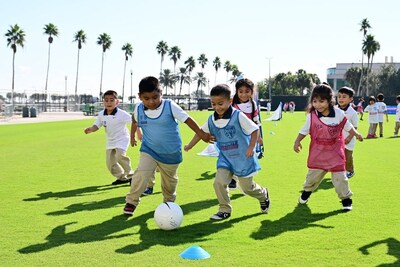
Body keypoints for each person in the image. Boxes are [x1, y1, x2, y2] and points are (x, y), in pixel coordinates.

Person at [123, 76, 210, 216]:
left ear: (161, 93)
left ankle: (168, 203)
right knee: (141, 174)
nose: (151, 101)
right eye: (146, 98)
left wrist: (202, 134)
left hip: (171, 153)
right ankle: (131, 202)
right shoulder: (138, 109)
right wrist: (133, 135)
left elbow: (187, 120)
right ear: (139, 97)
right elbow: (134, 120)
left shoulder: (169, 106)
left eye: (155, 97)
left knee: (169, 183)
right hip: (149, 150)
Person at [185, 84, 270, 220]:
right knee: (219, 182)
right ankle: (224, 209)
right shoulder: (211, 119)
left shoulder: (238, 116)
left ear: (230, 101)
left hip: (243, 158)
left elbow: (255, 129)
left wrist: (251, 147)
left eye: (220, 103)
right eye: (213, 104)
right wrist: (190, 145)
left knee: (247, 188)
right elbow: (201, 132)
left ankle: (263, 195)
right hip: (225, 158)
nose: (217, 107)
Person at [293, 83, 363, 211]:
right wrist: (297, 142)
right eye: (315, 101)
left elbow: (348, 126)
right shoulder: (312, 116)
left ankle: (346, 200)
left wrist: (356, 134)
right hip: (318, 153)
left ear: (329, 100)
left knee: (340, 178)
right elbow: (304, 130)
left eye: (321, 101)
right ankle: (306, 192)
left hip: (336, 153)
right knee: (312, 178)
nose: (318, 105)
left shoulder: (339, 113)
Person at [84, 90, 134, 185]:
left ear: (117, 102)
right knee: (110, 163)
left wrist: (136, 135)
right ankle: (122, 178)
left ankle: (132, 176)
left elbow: (134, 122)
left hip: (122, 139)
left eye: (111, 100)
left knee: (120, 156)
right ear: (103, 102)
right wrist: (90, 129)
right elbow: (97, 126)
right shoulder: (101, 114)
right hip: (110, 140)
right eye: (106, 100)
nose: (109, 102)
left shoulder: (122, 113)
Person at [229, 78, 264, 189]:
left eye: (247, 91)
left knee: (246, 158)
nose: (244, 94)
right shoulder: (232, 104)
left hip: (248, 138)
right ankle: (233, 179)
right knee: (233, 157)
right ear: (237, 92)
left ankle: (248, 183)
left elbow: (256, 122)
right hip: (234, 136)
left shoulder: (253, 105)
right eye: (241, 91)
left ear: (251, 92)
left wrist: (259, 137)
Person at [336, 87, 358, 178]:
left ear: (351, 99)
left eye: (344, 97)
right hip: (337, 138)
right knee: (338, 155)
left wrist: (349, 137)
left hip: (349, 138)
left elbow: (355, 127)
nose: (341, 99)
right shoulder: (334, 109)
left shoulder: (353, 112)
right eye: (339, 96)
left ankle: (350, 170)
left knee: (348, 156)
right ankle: (339, 170)